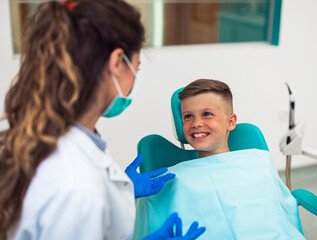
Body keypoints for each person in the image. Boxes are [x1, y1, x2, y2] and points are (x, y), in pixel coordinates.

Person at [0, 1, 205, 239]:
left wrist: (119, 193)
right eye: (135, 69)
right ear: (117, 63)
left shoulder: (59, 139)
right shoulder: (77, 187)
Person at [134, 79, 305, 239]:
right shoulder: (169, 179)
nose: (196, 123)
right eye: (188, 116)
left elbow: (280, 213)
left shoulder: (258, 162)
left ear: (231, 122)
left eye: (207, 114)